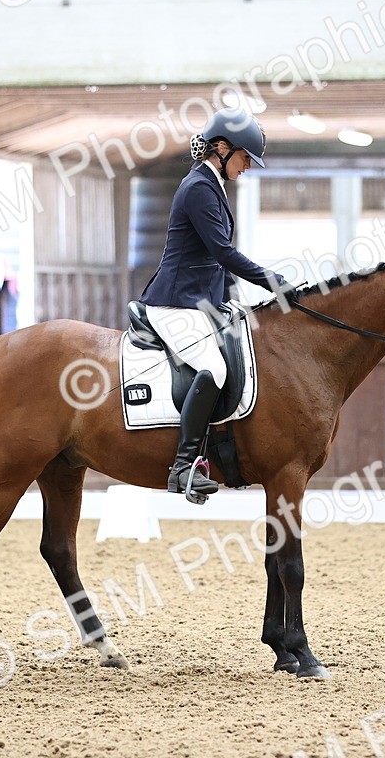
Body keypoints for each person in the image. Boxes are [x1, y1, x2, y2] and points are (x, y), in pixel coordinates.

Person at [138, 108, 288, 498]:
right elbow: (222, 252)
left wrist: (232, 301)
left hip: (201, 302)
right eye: (244, 158)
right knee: (213, 368)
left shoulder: (212, 184)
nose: (248, 167)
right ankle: (183, 467)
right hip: (174, 303)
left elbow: (215, 263)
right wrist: (274, 282)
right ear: (221, 148)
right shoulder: (199, 188)